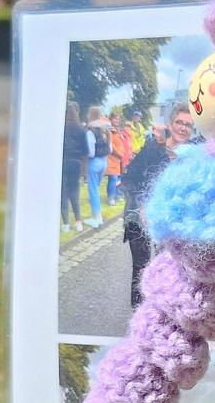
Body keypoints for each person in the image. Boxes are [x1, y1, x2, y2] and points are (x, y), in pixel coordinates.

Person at [120, 103, 197, 308]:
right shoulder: (152, 149)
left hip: (170, 223)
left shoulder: (192, 158)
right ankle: (139, 316)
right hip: (140, 219)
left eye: (188, 125)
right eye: (179, 123)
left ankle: (163, 312)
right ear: (170, 125)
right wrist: (142, 206)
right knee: (141, 268)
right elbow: (129, 179)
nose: (183, 128)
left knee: (170, 269)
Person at [61, 101, 88, 233]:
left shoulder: (61, 127)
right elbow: (86, 151)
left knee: (63, 194)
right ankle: (78, 222)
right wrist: (84, 171)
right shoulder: (81, 130)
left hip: (63, 162)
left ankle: (66, 223)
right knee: (74, 194)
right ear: (77, 112)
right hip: (76, 163)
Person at [84, 104, 111, 227]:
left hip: (94, 162)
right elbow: (110, 149)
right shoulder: (105, 129)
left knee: (93, 190)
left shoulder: (90, 131)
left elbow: (91, 151)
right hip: (104, 161)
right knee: (96, 189)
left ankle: (97, 218)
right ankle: (97, 215)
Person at [106, 112, 134, 206]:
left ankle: (115, 196)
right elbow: (111, 145)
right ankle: (110, 198)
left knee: (117, 179)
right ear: (110, 119)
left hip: (119, 160)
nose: (117, 121)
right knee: (113, 178)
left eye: (118, 119)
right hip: (112, 158)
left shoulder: (118, 131)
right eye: (115, 119)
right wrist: (119, 154)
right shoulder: (109, 130)